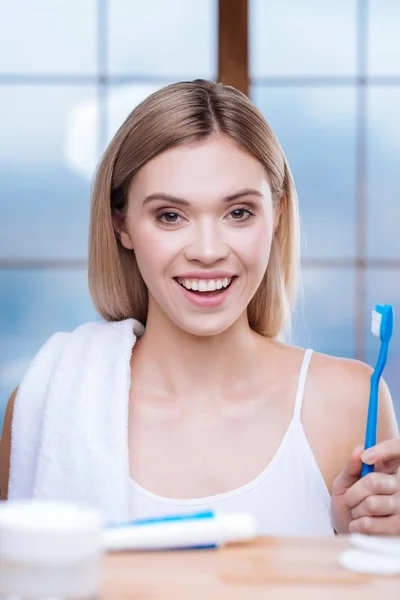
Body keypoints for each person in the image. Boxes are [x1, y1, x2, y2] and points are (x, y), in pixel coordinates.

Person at [1, 79, 399, 536]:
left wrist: (368, 546)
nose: (208, 251)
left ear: (278, 215)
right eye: (170, 216)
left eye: (239, 213)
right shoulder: (47, 406)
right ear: (121, 224)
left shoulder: (350, 404)